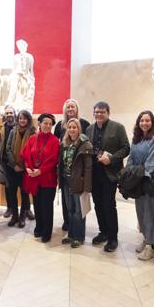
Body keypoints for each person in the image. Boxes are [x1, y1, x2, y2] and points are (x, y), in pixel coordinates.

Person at [85, 102, 130, 252]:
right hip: (94, 174)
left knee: (109, 205)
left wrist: (111, 158)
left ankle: (112, 238)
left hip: (109, 173)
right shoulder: (89, 129)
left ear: (108, 113)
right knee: (98, 204)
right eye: (96, 112)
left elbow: (126, 148)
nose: (99, 114)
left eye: (102, 112)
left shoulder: (118, 127)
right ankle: (103, 232)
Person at [126, 110, 154, 260]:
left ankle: (150, 246)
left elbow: (151, 162)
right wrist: (128, 172)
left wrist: (137, 174)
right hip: (136, 180)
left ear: (152, 122)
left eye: (147, 120)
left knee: (149, 213)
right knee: (140, 212)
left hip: (148, 181)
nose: (144, 123)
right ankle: (146, 239)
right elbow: (131, 158)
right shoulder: (137, 138)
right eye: (142, 120)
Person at [53, 98, 91, 231]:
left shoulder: (85, 123)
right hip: (65, 168)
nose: (70, 109)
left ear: (77, 109)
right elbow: (56, 144)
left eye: (72, 107)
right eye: (68, 107)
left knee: (78, 203)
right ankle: (67, 222)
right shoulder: (59, 125)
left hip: (78, 170)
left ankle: (77, 230)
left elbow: (87, 147)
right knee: (66, 200)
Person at [21, 113, 60, 242]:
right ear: (39, 124)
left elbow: (53, 160)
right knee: (37, 205)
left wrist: (40, 171)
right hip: (34, 178)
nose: (48, 126)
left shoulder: (55, 141)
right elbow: (26, 155)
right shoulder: (32, 138)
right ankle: (39, 227)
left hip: (48, 179)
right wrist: (27, 168)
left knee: (47, 206)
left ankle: (47, 232)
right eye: (45, 123)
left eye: (50, 124)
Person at [58, 118, 93, 248]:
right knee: (70, 209)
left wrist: (87, 187)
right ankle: (71, 234)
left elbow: (89, 167)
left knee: (79, 211)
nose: (72, 129)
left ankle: (79, 237)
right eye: (70, 127)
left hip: (79, 182)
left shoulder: (85, 144)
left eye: (74, 127)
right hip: (66, 181)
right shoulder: (64, 143)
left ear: (79, 129)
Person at [5, 39, 35, 113]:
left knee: (27, 88)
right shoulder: (16, 57)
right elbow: (14, 69)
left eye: (21, 46)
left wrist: (32, 79)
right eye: (19, 46)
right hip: (16, 75)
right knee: (13, 85)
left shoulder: (29, 57)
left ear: (25, 46)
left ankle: (24, 107)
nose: (20, 48)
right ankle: (10, 103)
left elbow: (31, 70)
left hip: (26, 76)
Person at [0, 105, 17, 219]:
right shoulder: (0, 127)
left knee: (20, 186)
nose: (9, 115)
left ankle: (25, 209)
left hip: (16, 162)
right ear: (4, 115)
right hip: (5, 161)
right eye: (7, 113)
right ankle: (9, 207)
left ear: (15, 114)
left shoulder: (19, 127)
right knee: (8, 185)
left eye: (11, 113)